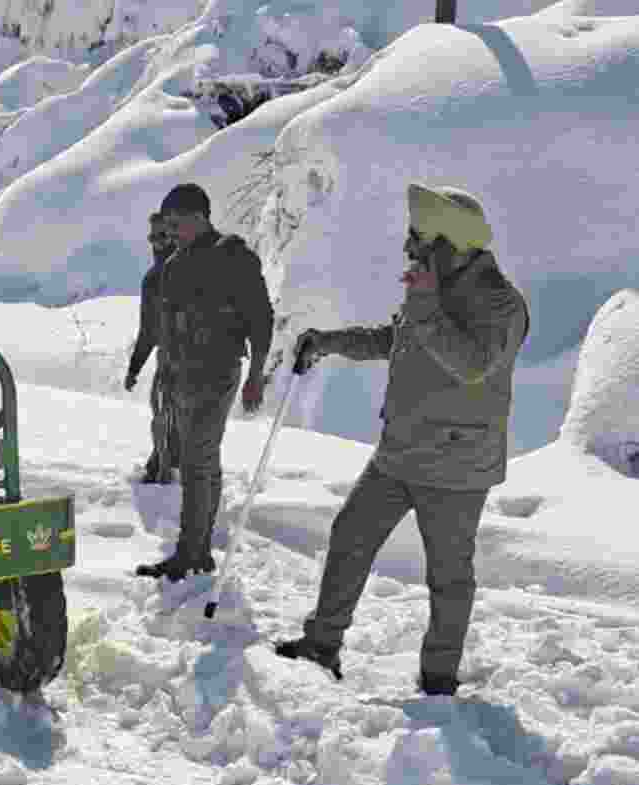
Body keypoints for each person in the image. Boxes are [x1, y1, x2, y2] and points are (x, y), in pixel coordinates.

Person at [275, 183, 530, 697]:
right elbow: (394, 339)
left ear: (448, 242)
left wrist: (423, 302)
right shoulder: (431, 289)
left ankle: (439, 680)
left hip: (457, 467)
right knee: (350, 536)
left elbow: (471, 365)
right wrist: (329, 342)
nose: (408, 246)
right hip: (400, 453)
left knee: (448, 576)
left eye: (418, 236)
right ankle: (322, 644)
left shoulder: (500, 305)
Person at [133, 183, 273, 582]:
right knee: (200, 461)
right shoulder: (175, 266)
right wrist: (164, 377)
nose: (170, 231)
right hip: (182, 378)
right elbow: (166, 327)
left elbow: (261, 319)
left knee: (198, 460)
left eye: (176, 223)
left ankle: (191, 553)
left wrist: (257, 376)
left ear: (199, 216)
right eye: (167, 225)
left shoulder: (233, 256)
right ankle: (195, 549)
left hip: (218, 374)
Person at [125, 211, 182, 485]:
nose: (157, 244)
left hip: (191, 358)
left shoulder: (193, 269)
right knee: (161, 412)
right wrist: (135, 367)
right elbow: (148, 330)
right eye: (152, 238)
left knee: (169, 414)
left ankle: (166, 473)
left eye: (162, 237)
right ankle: (162, 464)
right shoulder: (151, 280)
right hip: (167, 357)